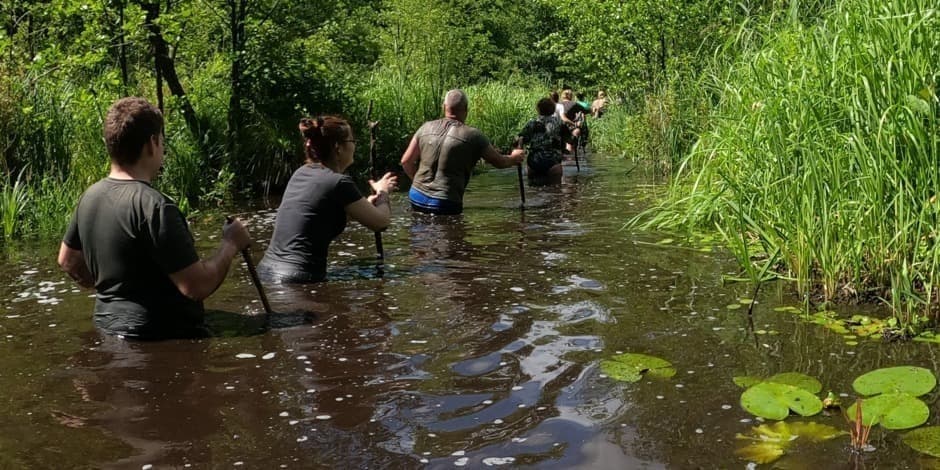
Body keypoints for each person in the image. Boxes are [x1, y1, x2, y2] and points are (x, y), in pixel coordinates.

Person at [57, 97, 252, 339]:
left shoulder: (90, 196)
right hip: (159, 337)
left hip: (107, 329)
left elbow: (67, 260)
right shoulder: (155, 207)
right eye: (161, 140)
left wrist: (115, 293)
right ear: (152, 143)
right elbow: (197, 286)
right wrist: (230, 244)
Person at [257, 115, 398, 283]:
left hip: (265, 273)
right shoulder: (339, 183)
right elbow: (381, 222)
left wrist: (365, 206)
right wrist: (383, 193)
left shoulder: (301, 172)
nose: (354, 146)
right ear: (338, 148)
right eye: (352, 141)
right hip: (298, 279)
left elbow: (317, 217)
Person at [400, 89, 525, 215]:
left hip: (416, 196)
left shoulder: (425, 127)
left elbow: (406, 161)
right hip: (446, 202)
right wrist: (514, 157)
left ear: (444, 107)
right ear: (466, 109)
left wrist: (420, 185)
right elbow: (500, 162)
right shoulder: (474, 136)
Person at [518, 97, 564, 184]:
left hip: (534, 161)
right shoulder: (559, 122)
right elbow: (569, 138)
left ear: (538, 109)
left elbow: (521, 139)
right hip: (553, 160)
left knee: (534, 190)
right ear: (553, 109)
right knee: (555, 192)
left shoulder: (531, 123)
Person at [558, 88, 588, 153]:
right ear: (570, 96)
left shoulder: (557, 104)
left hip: (556, 127)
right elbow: (586, 111)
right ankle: (570, 150)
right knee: (576, 132)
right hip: (567, 126)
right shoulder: (574, 104)